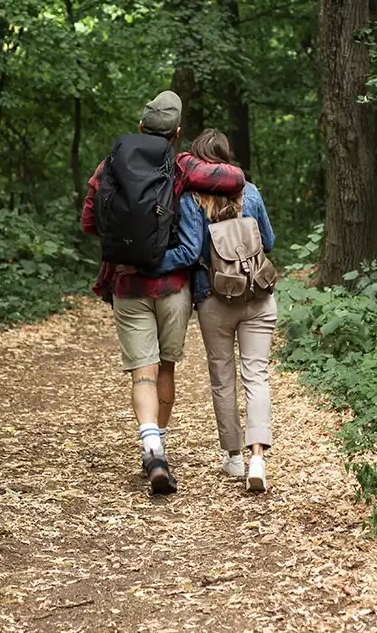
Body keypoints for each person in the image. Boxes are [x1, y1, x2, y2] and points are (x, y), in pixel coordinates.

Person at [81, 92, 245, 495]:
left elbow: (89, 222)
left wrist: (127, 245)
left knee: (143, 371)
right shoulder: (181, 164)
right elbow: (234, 180)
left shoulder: (109, 166)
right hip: (173, 287)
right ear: (177, 132)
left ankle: (151, 445)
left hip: (127, 283)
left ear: (140, 127)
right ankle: (158, 447)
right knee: (166, 368)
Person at [157, 129, 277, 492]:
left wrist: (151, 262)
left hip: (215, 299)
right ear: (227, 157)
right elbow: (268, 241)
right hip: (257, 294)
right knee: (256, 376)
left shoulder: (192, 199)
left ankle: (234, 457)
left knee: (222, 379)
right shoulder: (251, 192)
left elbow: (192, 253)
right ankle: (258, 457)